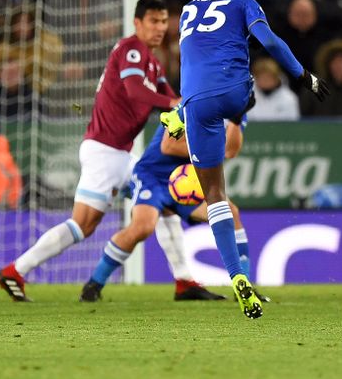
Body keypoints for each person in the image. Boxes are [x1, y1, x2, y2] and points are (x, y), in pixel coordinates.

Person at [159, 0, 330, 319]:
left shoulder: (190, 9)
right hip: (234, 92)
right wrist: (303, 75)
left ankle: (235, 275)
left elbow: (191, 52)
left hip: (195, 100)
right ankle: (243, 276)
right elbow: (269, 42)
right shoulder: (243, 4)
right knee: (244, 76)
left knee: (215, 197)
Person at [0, 0, 178, 303]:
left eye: (163, 21)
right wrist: (173, 105)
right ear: (138, 23)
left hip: (121, 154)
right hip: (105, 153)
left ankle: (185, 282)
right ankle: (16, 270)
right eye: (153, 21)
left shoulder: (152, 62)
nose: (160, 28)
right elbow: (137, 91)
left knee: (167, 201)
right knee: (83, 224)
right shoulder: (130, 49)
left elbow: (172, 97)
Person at [80, 116, 268, 303]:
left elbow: (230, 151)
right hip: (154, 177)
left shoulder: (236, 109)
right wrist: (209, 152)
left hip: (186, 183)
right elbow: (169, 146)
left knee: (230, 213)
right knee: (142, 227)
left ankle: (243, 288)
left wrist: (235, 120)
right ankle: (94, 285)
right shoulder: (191, 102)